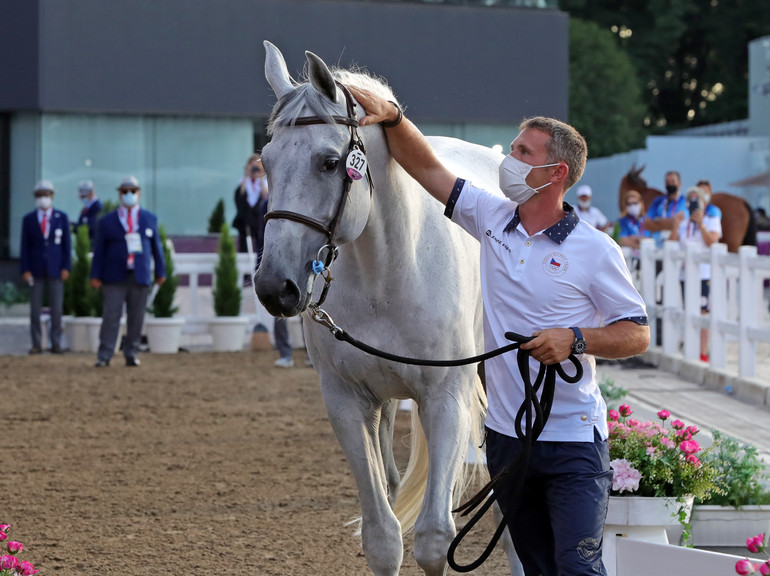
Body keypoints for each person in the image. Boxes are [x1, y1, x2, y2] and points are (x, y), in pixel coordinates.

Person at [348, 85, 649, 576]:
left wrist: (573, 338)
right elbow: (426, 168)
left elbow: (636, 333)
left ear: (556, 173)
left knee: (578, 569)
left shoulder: (597, 250)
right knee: (534, 566)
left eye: (522, 152)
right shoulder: (491, 217)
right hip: (508, 440)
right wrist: (392, 117)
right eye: (512, 149)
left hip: (574, 443)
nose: (508, 159)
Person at [90, 176, 165, 367]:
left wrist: (161, 271)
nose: (129, 195)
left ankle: (131, 353)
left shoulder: (149, 218)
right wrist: (95, 275)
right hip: (113, 276)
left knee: (137, 317)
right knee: (111, 316)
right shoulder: (107, 221)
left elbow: (157, 247)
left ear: (139, 193)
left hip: (139, 275)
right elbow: (99, 251)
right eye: (125, 191)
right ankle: (105, 354)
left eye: (133, 191)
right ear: (119, 194)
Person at [231, 153, 295, 367]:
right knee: (278, 307)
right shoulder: (247, 192)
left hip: (294, 257)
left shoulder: (283, 196)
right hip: (267, 252)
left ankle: (306, 354)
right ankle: (285, 352)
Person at [670, 186, 722, 362]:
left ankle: (702, 350)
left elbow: (712, 241)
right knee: (688, 310)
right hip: (686, 274)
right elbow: (672, 245)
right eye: (690, 200)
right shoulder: (684, 224)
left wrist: (701, 224)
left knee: (703, 311)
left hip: (704, 274)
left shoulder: (711, 220)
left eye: (696, 200)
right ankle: (690, 348)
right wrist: (676, 225)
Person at [19, 180, 71, 354]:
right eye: (40, 195)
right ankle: (36, 343)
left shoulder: (61, 218)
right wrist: (25, 269)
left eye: (46, 195)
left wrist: (66, 267)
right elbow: (24, 246)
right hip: (35, 270)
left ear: (52, 196)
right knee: (35, 310)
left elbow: (66, 245)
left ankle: (55, 343)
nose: (43, 199)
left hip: (56, 269)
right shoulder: (29, 219)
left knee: (56, 309)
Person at [644, 170, 688, 247]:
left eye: (673, 181)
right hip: (657, 244)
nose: (670, 184)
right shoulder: (658, 201)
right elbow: (647, 223)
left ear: (680, 184)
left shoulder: (685, 201)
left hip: (676, 245)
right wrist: (670, 223)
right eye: (667, 182)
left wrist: (657, 221)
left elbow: (680, 222)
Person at [616, 189, 649, 258]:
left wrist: (634, 239)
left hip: (648, 259)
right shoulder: (622, 221)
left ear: (641, 203)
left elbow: (653, 238)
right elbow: (623, 240)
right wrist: (641, 243)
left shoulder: (647, 220)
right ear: (625, 206)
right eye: (629, 204)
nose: (632, 206)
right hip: (631, 259)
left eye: (635, 203)